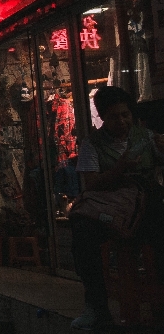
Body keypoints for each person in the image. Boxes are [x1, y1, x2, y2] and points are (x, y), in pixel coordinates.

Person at [70, 86, 164, 330]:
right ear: (102, 117)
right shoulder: (92, 145)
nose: (121, 121)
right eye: (114, 117)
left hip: (145, 210)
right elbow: (90, 184)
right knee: (82, 233)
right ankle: (97, 307)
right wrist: (119, 169)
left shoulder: (147, 137)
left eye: (125, 115)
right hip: (110, 212)